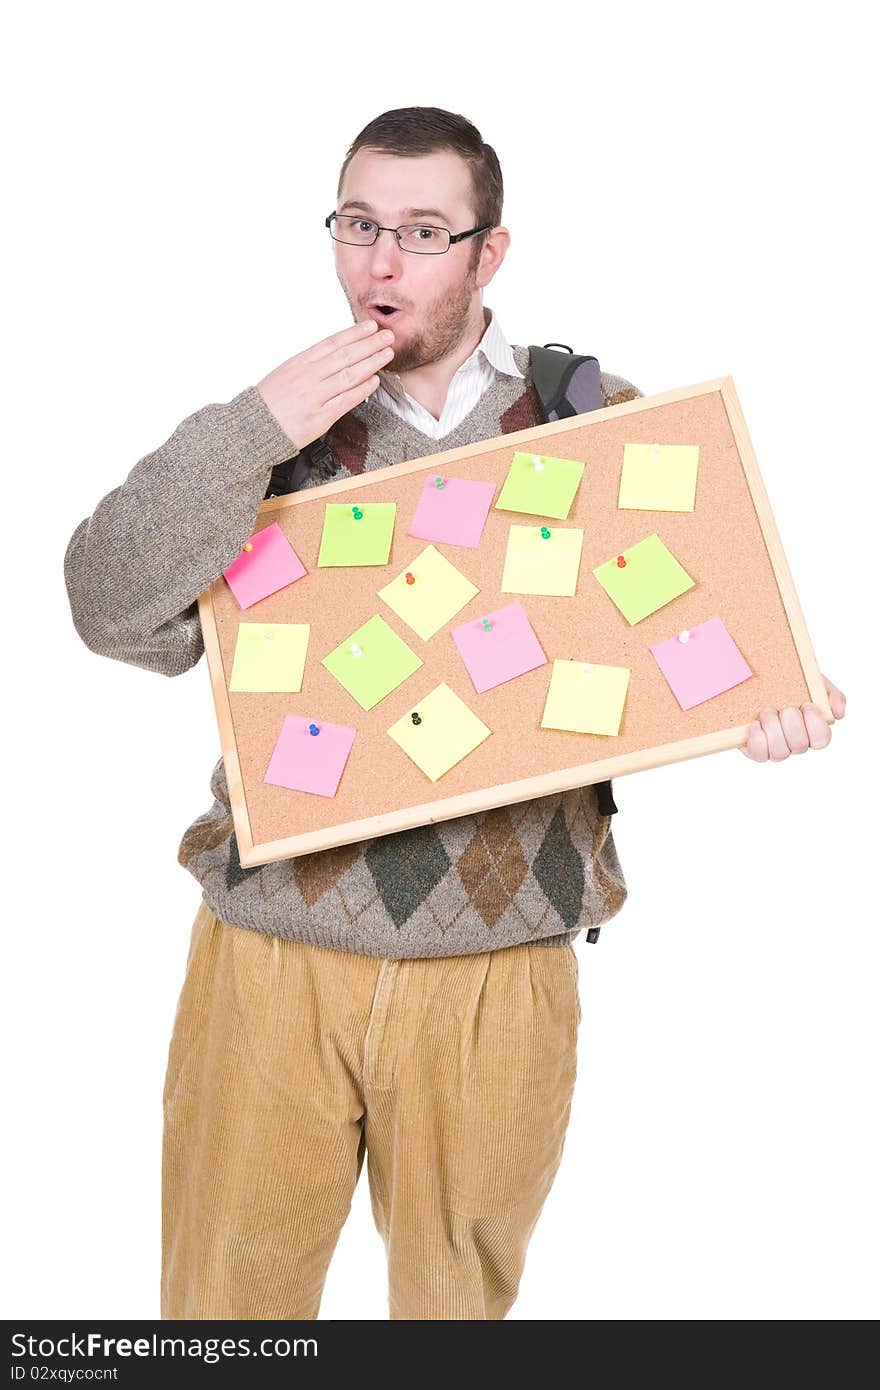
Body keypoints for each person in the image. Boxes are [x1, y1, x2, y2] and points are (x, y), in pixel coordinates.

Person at [63, 106, 846, 1321]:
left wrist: (766, 703)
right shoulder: (271, 439)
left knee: (457, 1317)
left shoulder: (596, 419)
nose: (382, 260)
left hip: (500, 964)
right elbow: (111, 609)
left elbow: (698, 640)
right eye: (359, 224)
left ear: (490, 253)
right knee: (222, 1311)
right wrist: (254, 429)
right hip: (273, 949)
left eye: (424, 232)